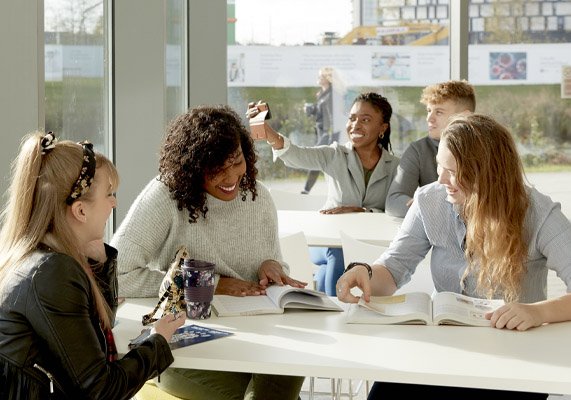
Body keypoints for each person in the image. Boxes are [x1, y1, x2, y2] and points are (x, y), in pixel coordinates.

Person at [336, 114, 571, 399]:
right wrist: (366, 272)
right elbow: (394, 268)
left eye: (451, 170)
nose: (440, 179)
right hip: (446, 352)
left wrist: (537, 312)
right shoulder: (429, 200)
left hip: (517, 360)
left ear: (485, 171)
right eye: (439, 166)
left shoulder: (538, 211)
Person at [111, 105, 305, 400]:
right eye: (216, 169)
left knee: (289, 367)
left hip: (255, 338)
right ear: (192, 167)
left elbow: (268, 263)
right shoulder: (165, 197)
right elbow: (116, 276)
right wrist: (208, 285)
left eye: (236, 161)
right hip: (183, 344)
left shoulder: (258, 196)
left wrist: (272, 265)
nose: (231, 177)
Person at [0, 132, 183, 400]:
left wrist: (99, 261)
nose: (114, 202)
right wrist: (158, 340)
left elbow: (101, 326)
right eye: (109, 194)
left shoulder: (40, 256)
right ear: (81, 211)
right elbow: (102, 390)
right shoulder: (52, 272)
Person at [247, 92, 400, 296]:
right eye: (352, 118)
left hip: (369, 243)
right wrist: (266, 131)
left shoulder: (396, 167)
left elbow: (398, 208)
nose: (355, 125)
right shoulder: (334, 154)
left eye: (365, 120)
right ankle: (336, 307)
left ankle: (327, 298)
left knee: (333, 265)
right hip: (329, 242)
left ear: (383, 128)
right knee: (337, 253)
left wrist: (364, 211)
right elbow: (296, 155)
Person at [385, 80, 475, 217]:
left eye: (438, 112)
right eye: (428, 111)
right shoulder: (418, 150)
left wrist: (428, 205)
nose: (429, 118)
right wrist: (423, 206)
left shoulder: (487, 148)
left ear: (464, 116)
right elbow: (394, 201)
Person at [302, 66, 340, 194]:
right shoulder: (322, 93)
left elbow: (332, 118)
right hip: (320, 133)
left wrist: (329, 137)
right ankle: (308, 190)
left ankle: (306, 190)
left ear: (327, 78)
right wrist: (311, 110)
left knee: (316, 160)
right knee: (323, 163)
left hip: (327, 135)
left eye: (320, 76)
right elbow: (321, 112)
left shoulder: (331, 95)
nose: (318, 78)